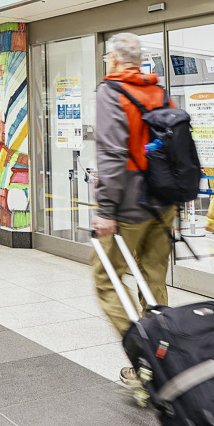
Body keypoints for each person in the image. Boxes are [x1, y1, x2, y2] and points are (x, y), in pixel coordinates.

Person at [92, 32, 177, 388]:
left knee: (105, 278)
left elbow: (112, 154)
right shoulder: (159, 91)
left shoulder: (111, 92)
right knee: (153, 277)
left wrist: (106, 209)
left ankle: (144, 358)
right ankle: (166, 357)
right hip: (164, 203)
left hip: (127, 206)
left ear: (113, 59)